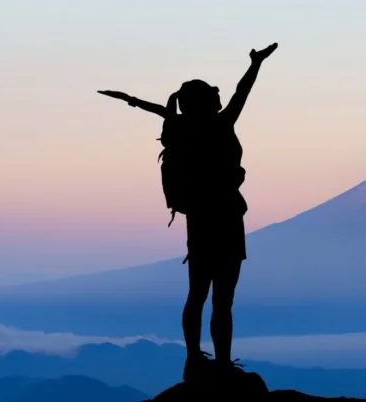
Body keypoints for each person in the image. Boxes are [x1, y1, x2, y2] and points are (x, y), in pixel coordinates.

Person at [98, 42, 278, 382]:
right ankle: (222, 362)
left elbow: (163, 113)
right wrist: (256, 64)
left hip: (199, 219)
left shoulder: (182, 129)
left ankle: (193, 357)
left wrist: (132, 101)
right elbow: (243, 92)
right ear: (206, 102)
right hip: (226, 217)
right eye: (213, 95)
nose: (219, 97)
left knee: (198, 292)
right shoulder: (223, 124)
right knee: (224, 297)